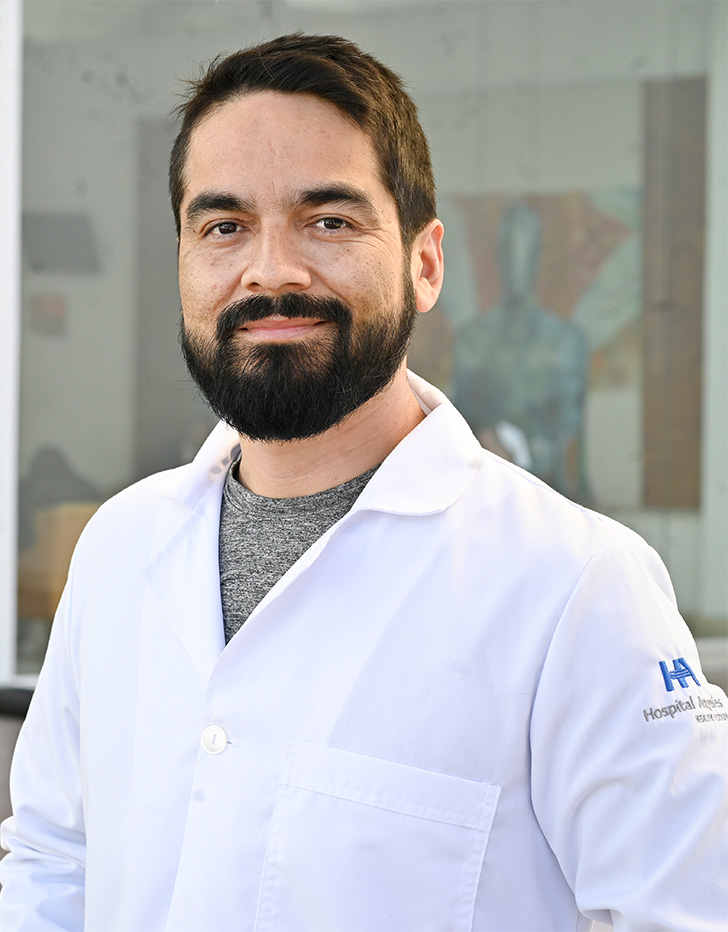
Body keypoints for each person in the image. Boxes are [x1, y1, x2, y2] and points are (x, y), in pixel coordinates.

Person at [1, 33, 726, 932]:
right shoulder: (118, 545)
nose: (270, 269)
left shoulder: (578, 585)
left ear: (425, 264)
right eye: (224, 225)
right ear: (184, 259)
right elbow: (51, 860)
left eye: (330, 220)